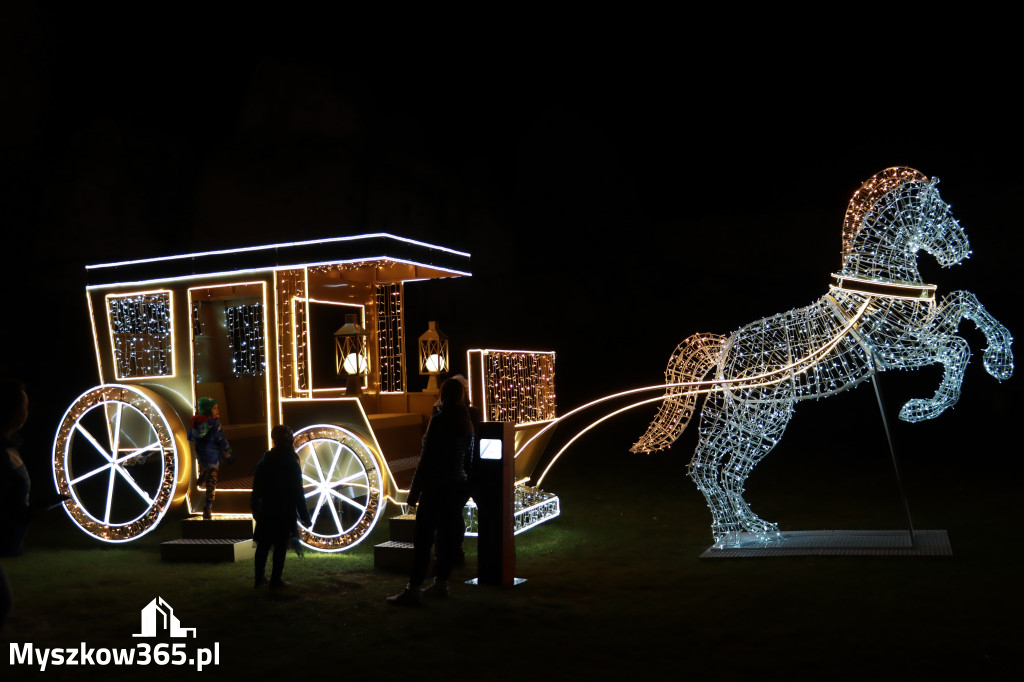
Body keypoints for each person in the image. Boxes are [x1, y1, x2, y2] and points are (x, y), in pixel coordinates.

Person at [388, 378, 474, 606]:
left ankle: (414, 588)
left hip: (436, 487)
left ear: (443, 395)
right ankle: (441, 583)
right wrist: (466, 488)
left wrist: (414, 493)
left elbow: (426, 461)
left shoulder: (439, 421)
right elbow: (468, 460)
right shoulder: (466, 421)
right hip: (456, 487)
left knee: (423, 538)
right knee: (446, 538)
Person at [0, 379, 66, 629]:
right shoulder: (3, 453)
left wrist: (35, 509)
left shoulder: (9, 448)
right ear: (12, 411)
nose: (28, 412)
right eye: (25, 406)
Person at [251, 425, 312, 589]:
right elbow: (297, 491)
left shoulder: (265, 461)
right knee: (280, 547)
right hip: (284, 510)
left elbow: (256, 487)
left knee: (263, 545)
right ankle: (275, 580)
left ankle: (259, 578)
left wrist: (255, 507)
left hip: (267, 509)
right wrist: (305, 516)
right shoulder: (291, 463)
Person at [188, 397, 232, 520]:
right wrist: (227, 453)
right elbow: (221, 439)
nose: (217, 410)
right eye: (214, 408)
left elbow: (191, 437)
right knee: (212, 480)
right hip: (213, 455)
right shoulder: (214, 424)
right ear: (208, 410)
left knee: (208, 471)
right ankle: (208, 505)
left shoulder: (196, 422)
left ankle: (203, 475)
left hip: (201, 454)